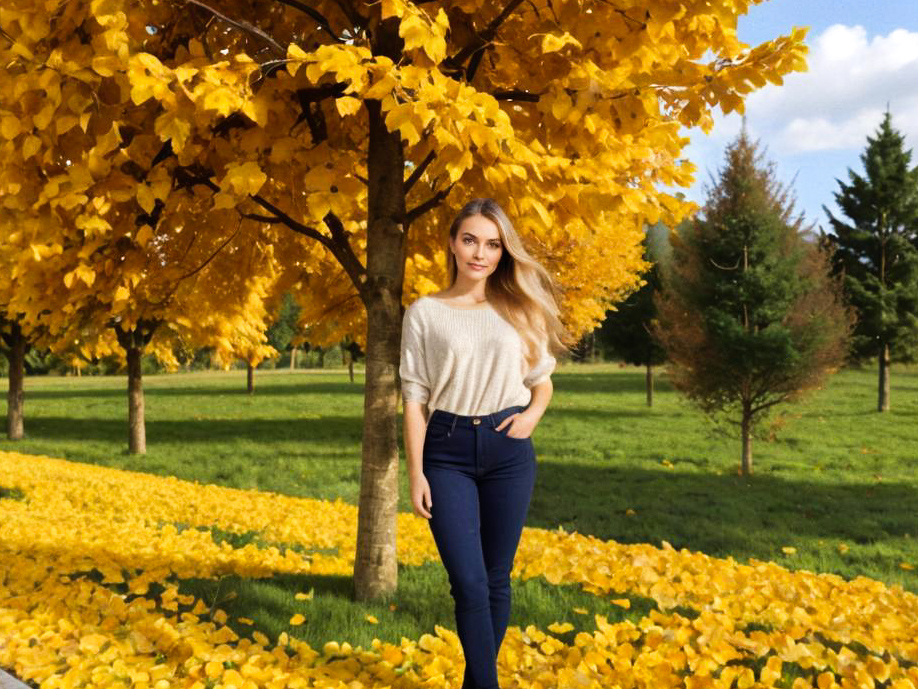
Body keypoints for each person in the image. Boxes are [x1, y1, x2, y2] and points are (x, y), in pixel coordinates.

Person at [399, 198, 568, 689]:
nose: (480, 253)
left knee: (496, 578)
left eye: (493, 244)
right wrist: (416, 474)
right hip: (446, 449)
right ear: (452, 243)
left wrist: (532, 416)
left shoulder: (519, 306)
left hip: (507, 449)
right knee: (468, 584)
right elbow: (414, 398)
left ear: (503, 252)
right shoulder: (426, 312)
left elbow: (542, 380)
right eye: (470, 240)